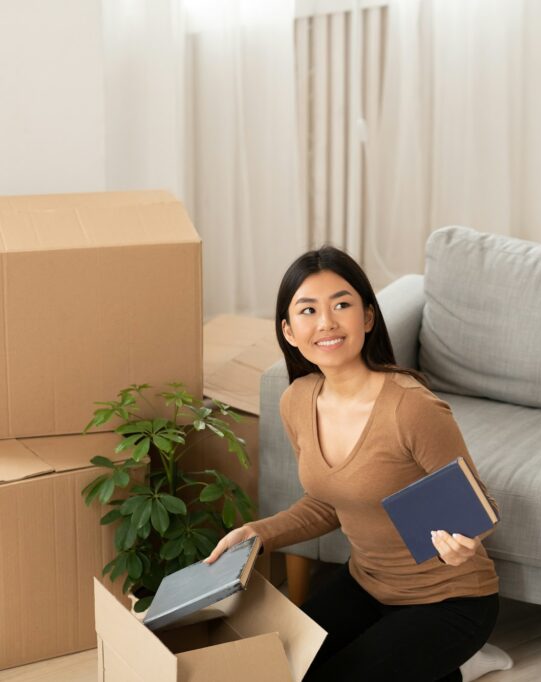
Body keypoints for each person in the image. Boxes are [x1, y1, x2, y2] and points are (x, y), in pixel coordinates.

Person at [205, 246, 512, 681]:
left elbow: (479, 506)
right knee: (275, 669)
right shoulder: (297, 400)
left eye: (342, 305)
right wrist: (258, 533)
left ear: (367, 318)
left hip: (450, 600)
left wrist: (465, 539)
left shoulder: (412, 408)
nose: (326, 322)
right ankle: (445, 670)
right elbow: (327, 503)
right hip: (367, 585)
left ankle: (455, 657)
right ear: (289, 331)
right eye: (308, 310)